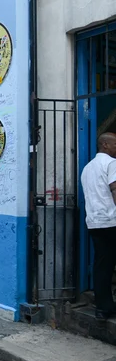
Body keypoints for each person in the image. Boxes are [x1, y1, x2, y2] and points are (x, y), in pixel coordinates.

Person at [81, 132, 116, 320]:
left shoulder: (87, 168)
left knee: (103, 265)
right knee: (106, 264)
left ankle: (103, 307)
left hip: (95, 223)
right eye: (115, 144)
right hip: (112, 221)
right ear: (105, 145)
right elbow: (115, 190)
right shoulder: (111, 163)